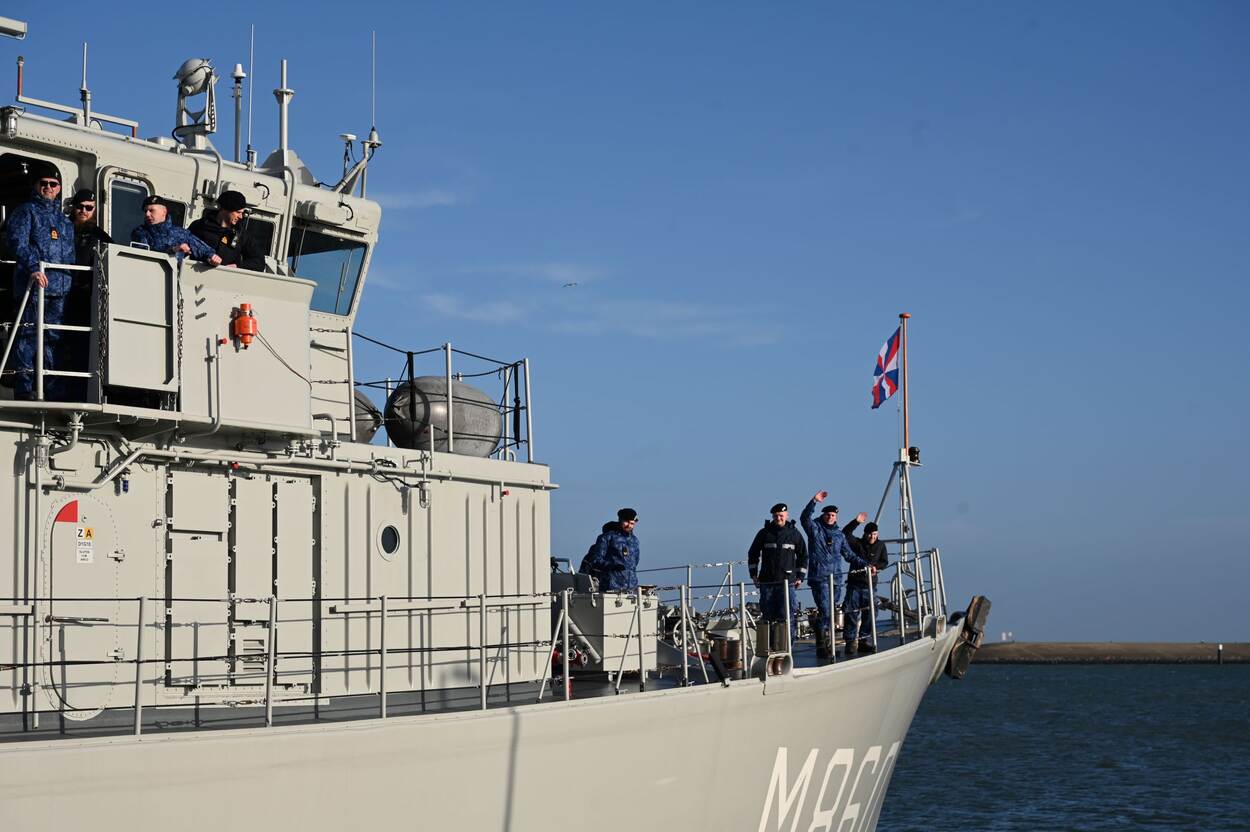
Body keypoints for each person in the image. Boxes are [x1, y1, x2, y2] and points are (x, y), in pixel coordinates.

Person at [3, 161, 75, 399]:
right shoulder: (26, 211)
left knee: (53, 338)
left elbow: (70, 255)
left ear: (59, 188)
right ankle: (24, 386)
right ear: (36, 186)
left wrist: (70, 282)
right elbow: (17, 242)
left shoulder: (65, 221)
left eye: (53, 184)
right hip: (33, 286)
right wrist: (33, 267)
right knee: (28, 335)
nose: (48, 187)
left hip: (59, 290)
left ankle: (51, 386)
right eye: (43, 183)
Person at [799, 493, 866, 660]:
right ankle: (821, 646)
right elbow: (804, 518)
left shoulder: (839, 535)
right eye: (828, 515)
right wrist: (814, 501)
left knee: (830, 610)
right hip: (820, 577)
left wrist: (865, 565)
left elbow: (849, 555)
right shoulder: (815, 529)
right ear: (823, 515)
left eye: (833, 515)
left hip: (835, 579)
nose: (830, 517)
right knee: (825, 610)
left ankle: (826, 643)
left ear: (836, 517)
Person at [747, 503, 807, 675]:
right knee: (768, 616)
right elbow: (753, 553)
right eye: (776, 516)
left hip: (787, 583)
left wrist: (800, 576)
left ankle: (787, 649)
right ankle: (771, 650)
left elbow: (803, 555)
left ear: (787, 515)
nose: (778, 518)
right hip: (767, 583)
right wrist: (753, 575)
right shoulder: (764, 533)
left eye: (781, 515)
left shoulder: (794, 534)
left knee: (787, 616)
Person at [841, 517, 889, 657]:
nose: (872, 537)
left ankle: (863, 640)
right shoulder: (857, 544)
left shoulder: (881, 545)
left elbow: (884, 562)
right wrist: (856, 521)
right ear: (865, 533)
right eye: (869, 534)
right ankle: (850, 642)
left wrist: (876, 567)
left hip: (870, 586)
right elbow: (845, 533)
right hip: (854, 585)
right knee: (851, 613)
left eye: (874, 534)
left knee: (871, 613)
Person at [188, 190, 267, 271]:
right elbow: (184, 246)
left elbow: (259, 262)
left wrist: (237, 266)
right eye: (238, 212)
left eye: (242, 213)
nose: (241, 217)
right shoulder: (199, 226)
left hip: (227, 277)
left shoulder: (241, 234)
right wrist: (206, 257)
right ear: (225, 209)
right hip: (196, 274)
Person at [130, 196, 221, 264]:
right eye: (145, 211)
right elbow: (144, 255)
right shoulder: (140, 232)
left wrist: (212, 257)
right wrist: (173, 249)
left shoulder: (181, 233)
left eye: (151, 210)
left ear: (164, 212)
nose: (147, 214)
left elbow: (202, 249)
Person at [579, 508, 641, 592]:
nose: (629, 526)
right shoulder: (607, 537)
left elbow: (635, 562)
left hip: (631, 588)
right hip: (611, 588)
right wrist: (612, 566)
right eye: (626, 522)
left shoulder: (635, 540)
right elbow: (596, 560)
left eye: (632, 523)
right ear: (620, 520)